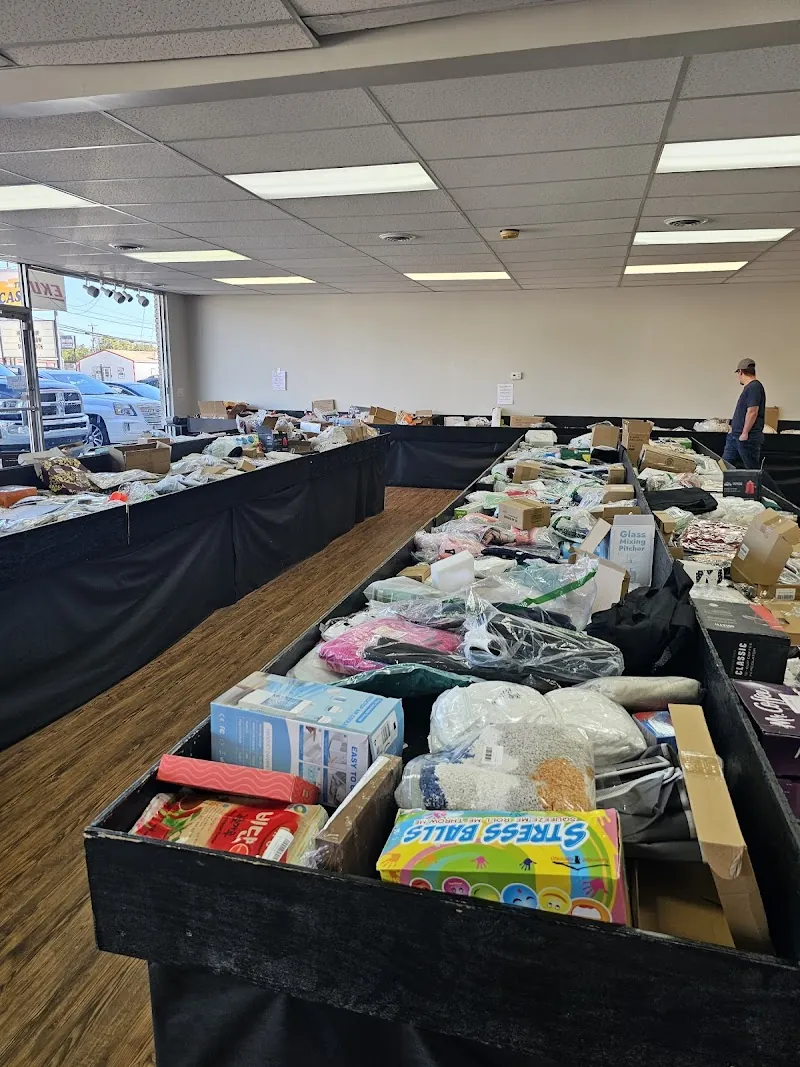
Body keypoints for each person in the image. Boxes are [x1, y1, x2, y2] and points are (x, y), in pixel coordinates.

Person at [723, 359, 766, 469]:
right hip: (735, 435)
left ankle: (768, 487)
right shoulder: (750, 388)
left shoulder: (754, 387)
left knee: (753, 470)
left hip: (746, 438)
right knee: (725, 466)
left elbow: (752, 412)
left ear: (740, 372)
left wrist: (745, 433)